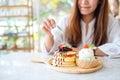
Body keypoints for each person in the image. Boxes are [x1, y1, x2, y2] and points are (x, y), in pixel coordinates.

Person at [41, 0, 120, 57]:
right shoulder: (66, 21)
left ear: (100, 1)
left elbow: (118, 46)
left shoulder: (110, 21)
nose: (84, 2)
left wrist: (88, 51)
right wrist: (49, 35)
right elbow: (50, 50)